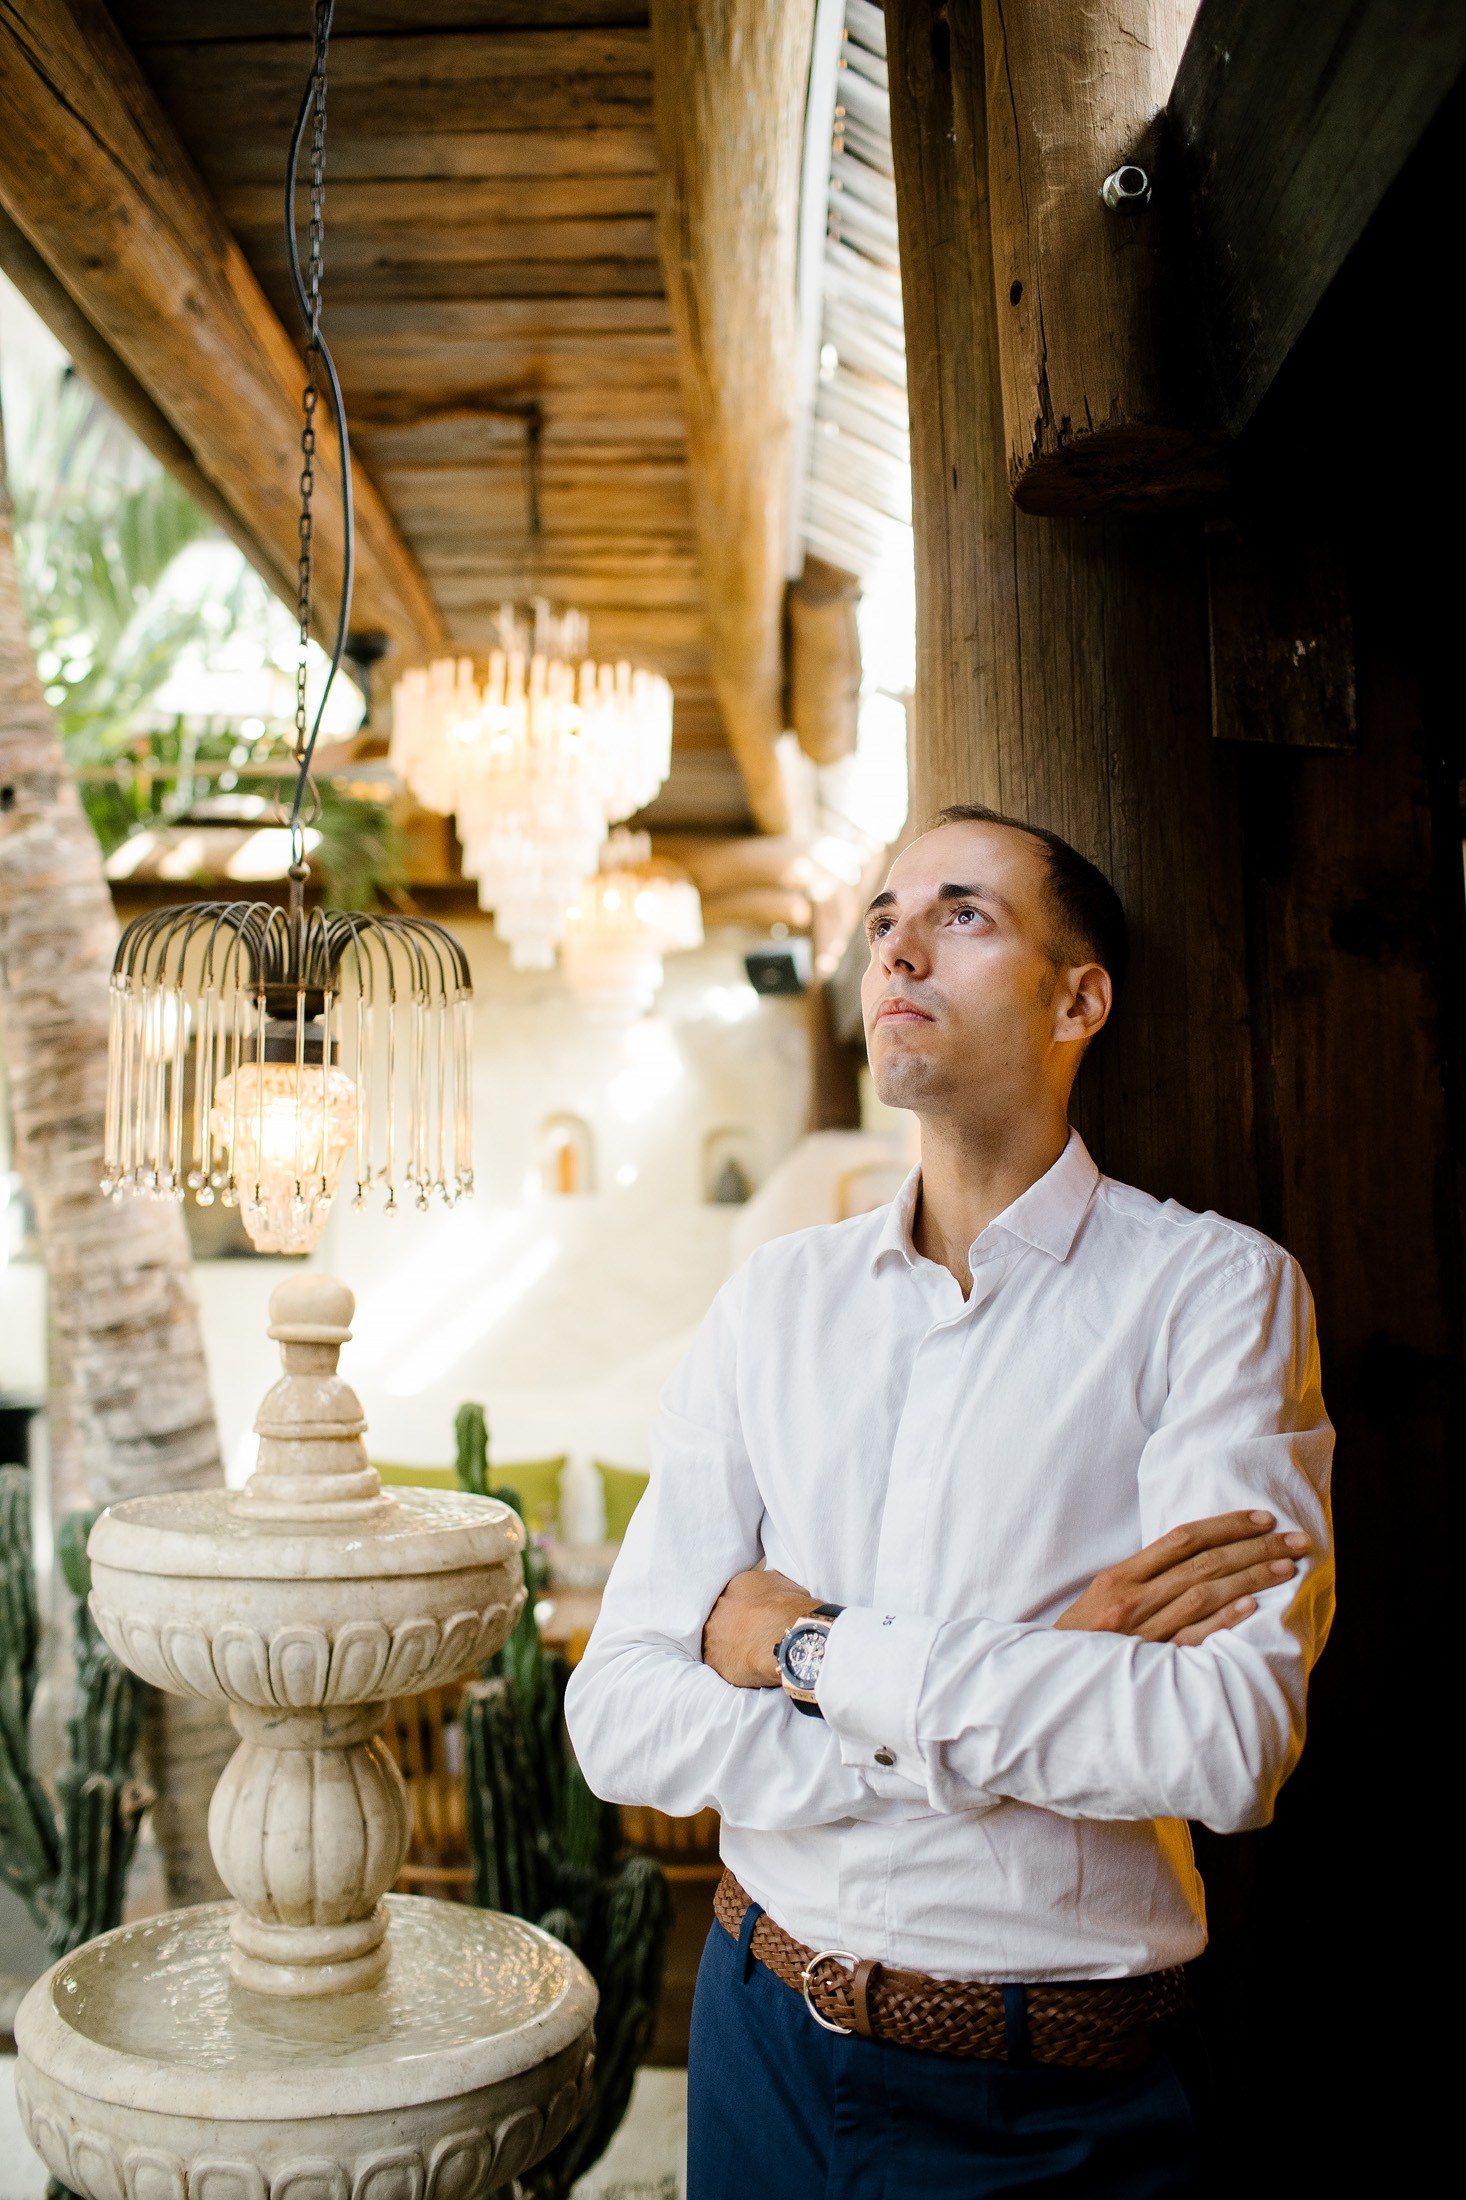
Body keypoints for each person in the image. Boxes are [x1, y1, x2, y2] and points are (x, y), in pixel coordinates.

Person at [565, 806, 1334, 2198]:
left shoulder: (1214, 1296)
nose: (896, 951)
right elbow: (617, 1714)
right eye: (882, 921)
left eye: (961, 915)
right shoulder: (775, 1301)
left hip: (1047, 2095)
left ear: (1078, 1000)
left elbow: (1223, 1742)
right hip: (756, 2035)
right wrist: (1030, 1680)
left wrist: (808, 1655)